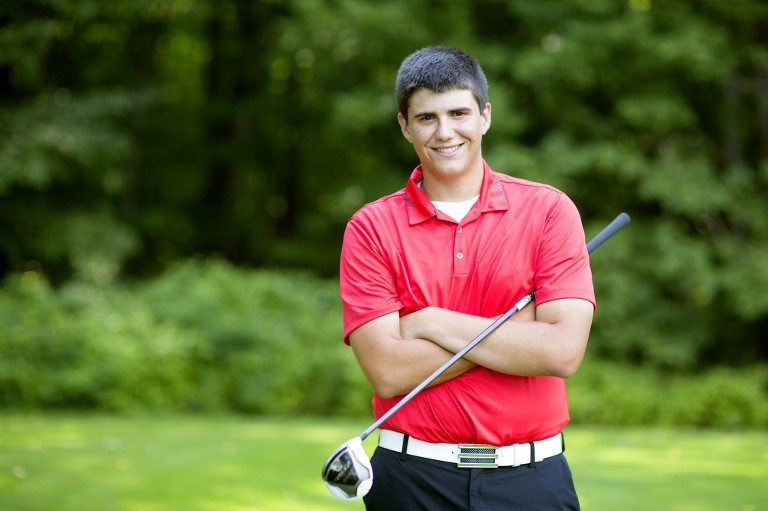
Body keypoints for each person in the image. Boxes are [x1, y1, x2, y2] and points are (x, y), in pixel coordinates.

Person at [339, 46, 595, 510]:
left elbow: (562, 352)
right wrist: (518, 334)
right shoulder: (370, 227)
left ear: (485, 117)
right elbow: (389, 372)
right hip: (411, 479)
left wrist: (431, 320)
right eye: (426, 117)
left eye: (459, 112)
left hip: (531, 481)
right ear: (405, 126)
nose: (445, 132)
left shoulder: (549, 211)